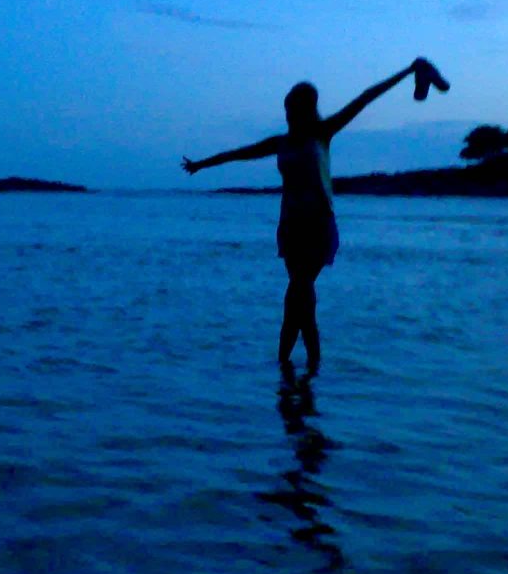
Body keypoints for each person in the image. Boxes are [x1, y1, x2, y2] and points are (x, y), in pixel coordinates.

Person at [181, 58, 442, 367]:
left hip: (318, 226)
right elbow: (239, 154)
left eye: (293, 109)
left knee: (297, 293)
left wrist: (407, 72)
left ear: (305, 109)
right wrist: (200, 165)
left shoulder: (322, 132)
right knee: (300, 301)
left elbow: (366, 97)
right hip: (291, 227)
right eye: (286, 110)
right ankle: (302, 377)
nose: (288, 115)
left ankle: (289, 371)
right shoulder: (281, 142)